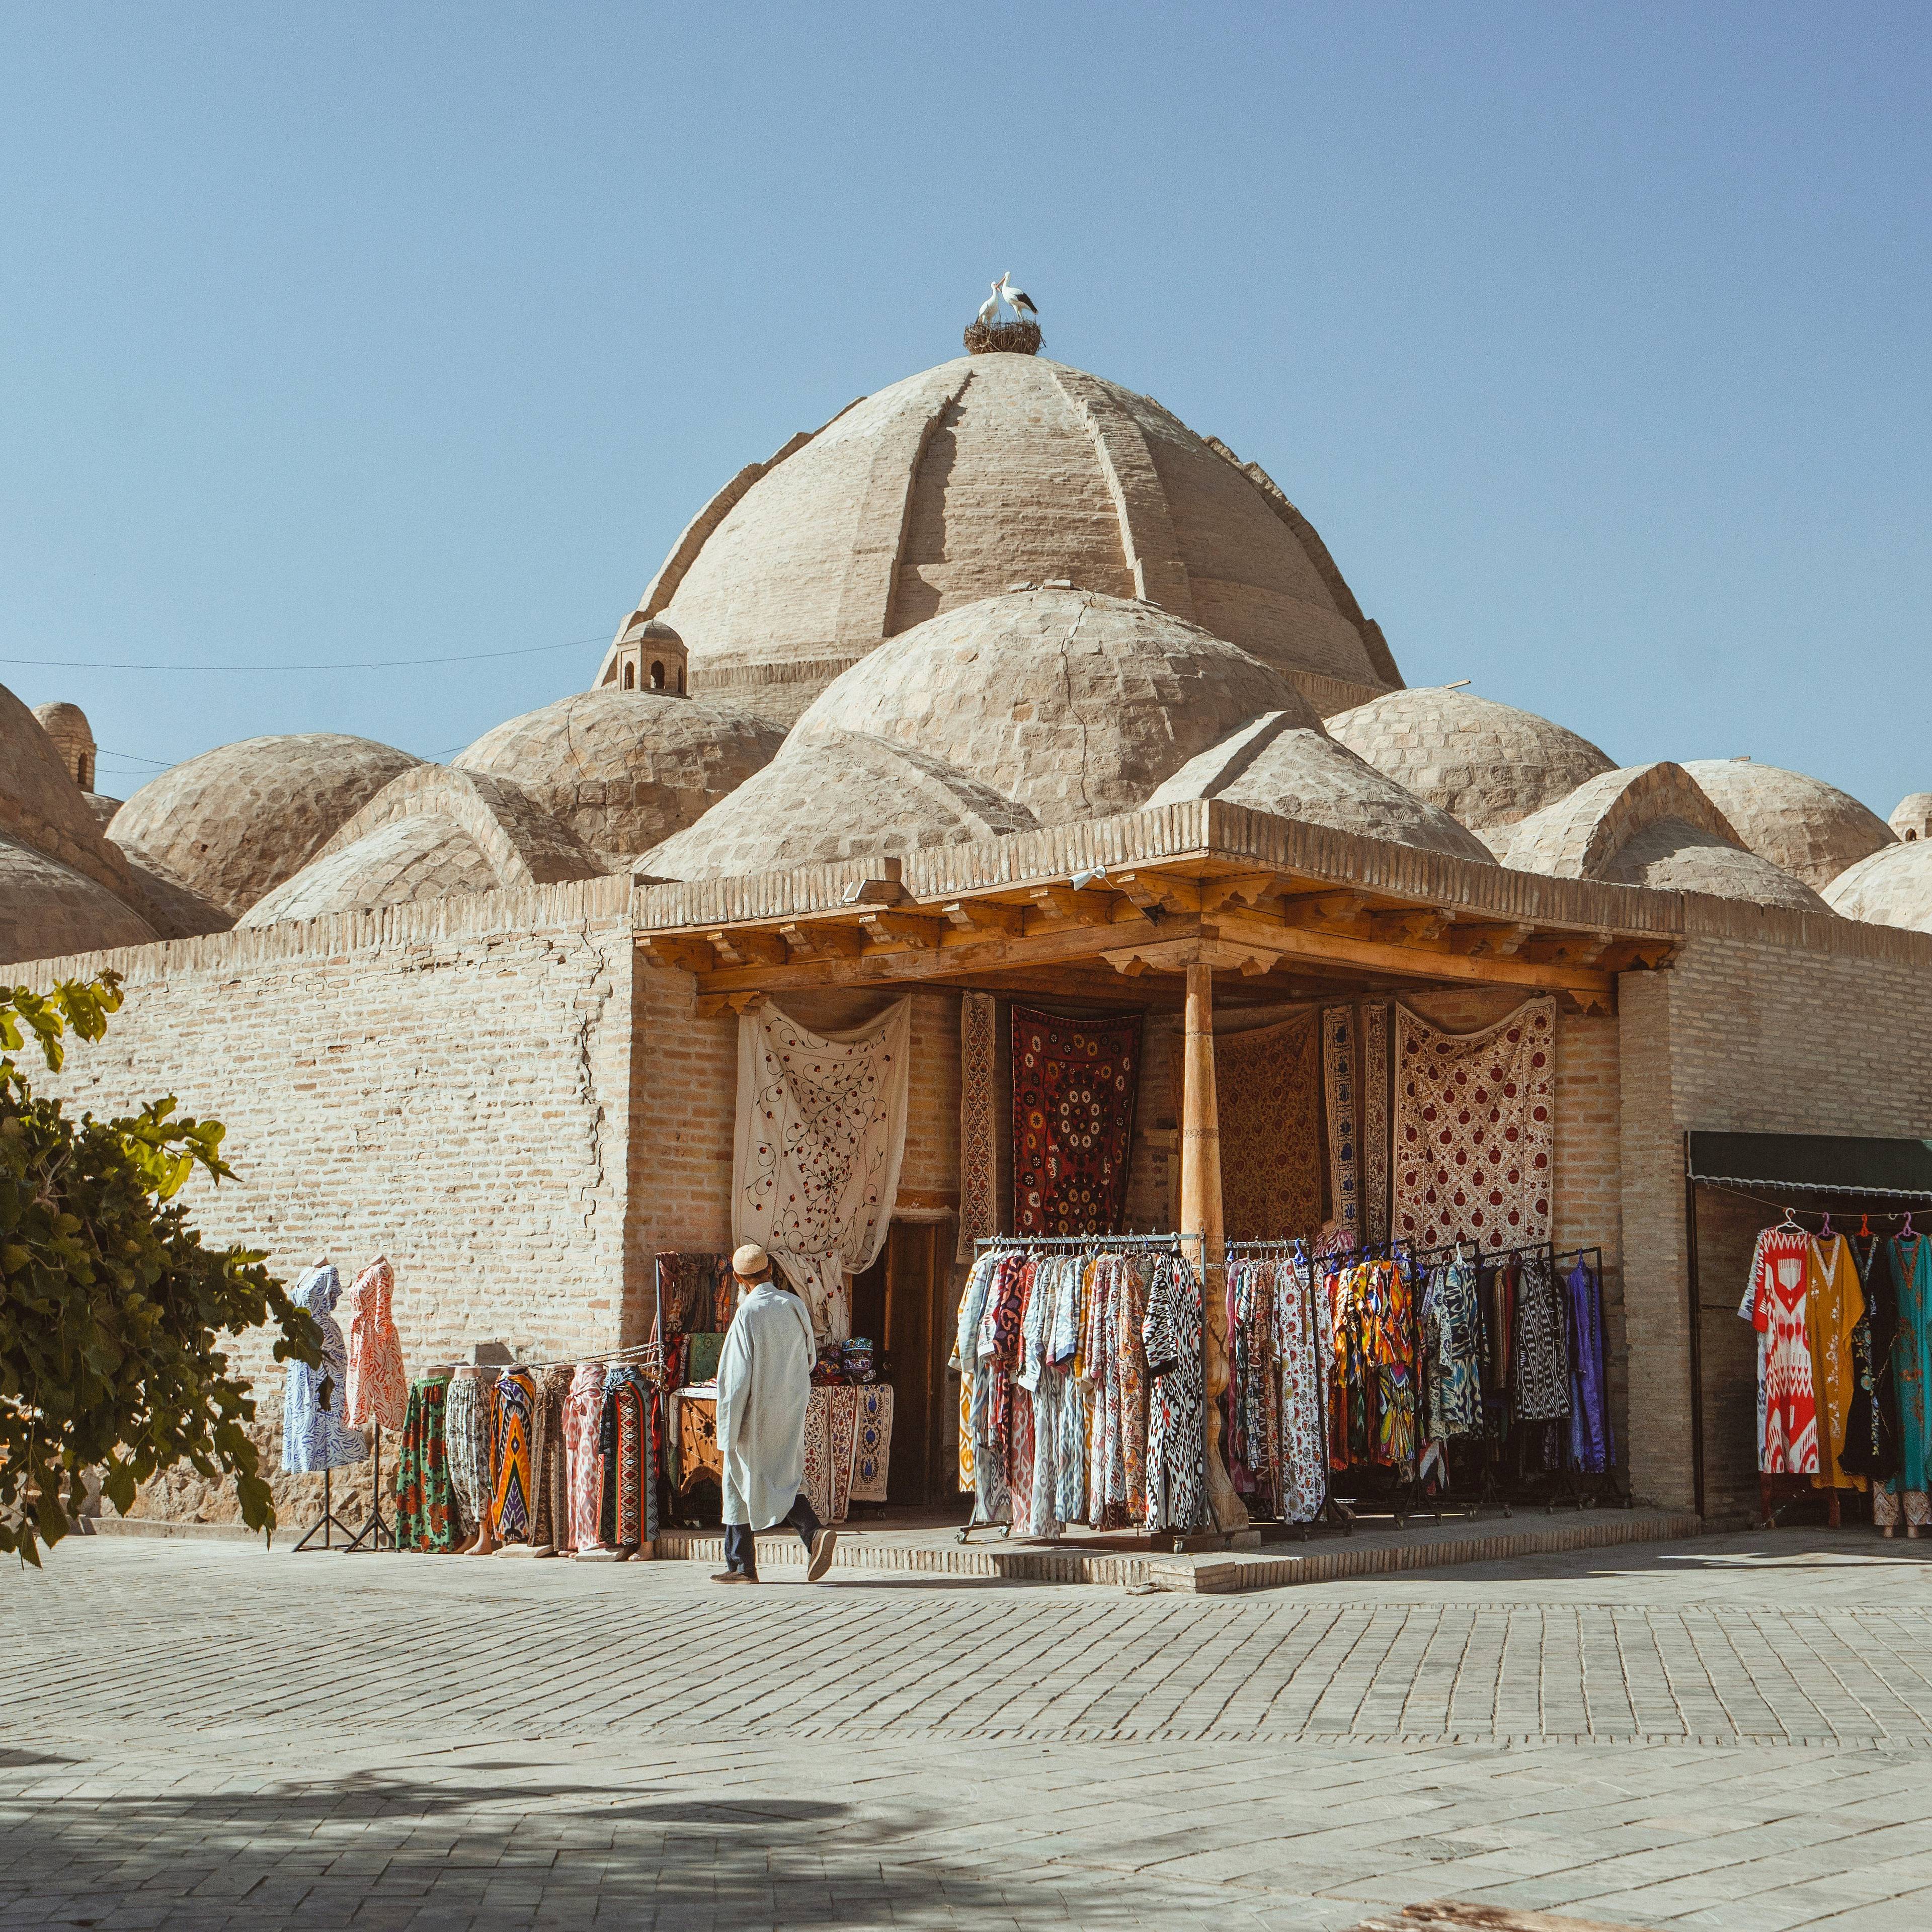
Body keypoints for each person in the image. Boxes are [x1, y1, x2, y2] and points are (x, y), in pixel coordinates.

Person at [712, 1243, 839, 1585]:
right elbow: (811, 1358)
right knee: (772, 1475)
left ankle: (812, 1532)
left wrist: (727, 1427)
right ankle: (741, 1565)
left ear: (739, 1278)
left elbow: (736, 1379)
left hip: (754, 1413)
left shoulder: (748, 1314)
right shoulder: (793, 1304)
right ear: (770, 1271)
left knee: (750, 1476)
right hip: (791, 1405)